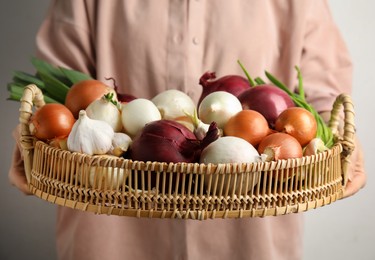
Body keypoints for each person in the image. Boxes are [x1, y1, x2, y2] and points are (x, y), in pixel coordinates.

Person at [9, 1, 366, 259]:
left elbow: (323, 92)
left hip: (251, 228)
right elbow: (58, 97)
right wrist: (34, 137)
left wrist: (339, 140)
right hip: (112, 228)